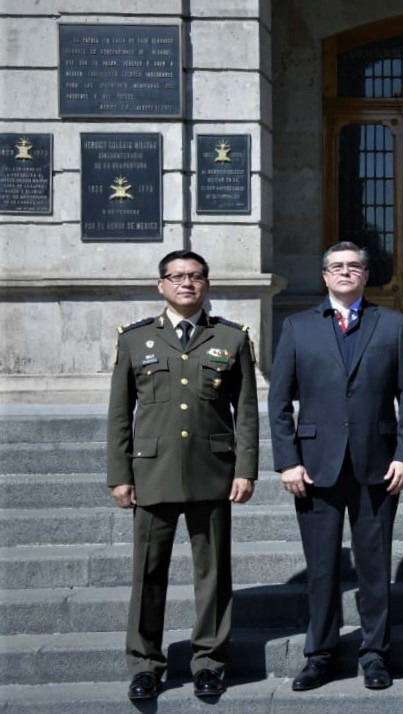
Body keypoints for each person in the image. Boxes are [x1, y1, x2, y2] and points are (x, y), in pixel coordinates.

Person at [268, 241, 403, 692]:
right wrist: (287, 462)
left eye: (354, 266)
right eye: (336, 266)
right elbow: (279, 403)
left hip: (378, 463)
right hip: (315, 467)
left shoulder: (392, 326)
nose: (345, 272)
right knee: (321, 568)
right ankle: (320, 653)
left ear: (366, 275)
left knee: (373, 565)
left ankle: (375, 653)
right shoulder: (297, 327)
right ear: (324, 276)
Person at [106, 250, 258, 701]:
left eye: (195, 276)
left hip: (213, 472)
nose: (186, 283)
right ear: (161, 285)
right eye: (177, 277)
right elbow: (119, 414)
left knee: (212, 575)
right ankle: (145, 664)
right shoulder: (135, 341)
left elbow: (245, 412)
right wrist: (120, 474)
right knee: (148, 574)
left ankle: (209, 662)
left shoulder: (230, 338)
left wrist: (245, 469)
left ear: (207, 284)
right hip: (151, 473)